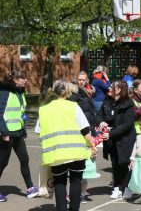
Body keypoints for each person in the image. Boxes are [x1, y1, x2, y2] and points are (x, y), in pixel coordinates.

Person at [36, 80, 96, 211]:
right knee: (76, 182)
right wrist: (93, 146)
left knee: (59, 183)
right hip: (76, 152)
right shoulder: (73, 106)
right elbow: (85, 131)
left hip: (55, 154)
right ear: (67, 92)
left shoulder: (44, 110)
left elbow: (39, 132)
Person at [0, 70, 39, 202]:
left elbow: (21, 113)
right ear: (15, 80)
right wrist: (4, 132)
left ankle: (30, 188)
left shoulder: (20, 93)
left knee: (24, 159)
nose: (26, 80)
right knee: (2, 163)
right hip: (7, 135)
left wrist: (23, 129)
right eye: (23, 78)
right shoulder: (4, 92)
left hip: (18, 133)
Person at [99, 80, 137, 199]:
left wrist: (111, 133)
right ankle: (116, 187)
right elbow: (99, 114)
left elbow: (127, 124)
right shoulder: (108, 101)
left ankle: (127, 187)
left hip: (125, 139)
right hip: (112, 140)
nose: (109, 88)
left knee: (125, 163)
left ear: (119, 90)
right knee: (115, 164)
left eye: (112, 87)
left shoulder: (128, 104)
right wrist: (101, 122)